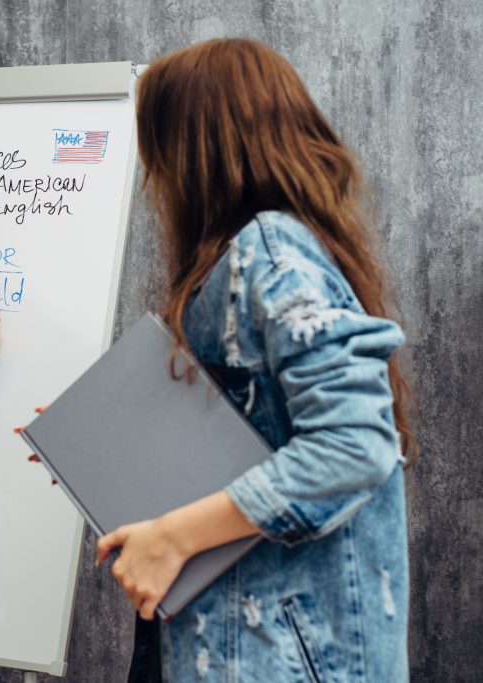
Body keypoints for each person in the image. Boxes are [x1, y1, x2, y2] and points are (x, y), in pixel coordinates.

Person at [93, 39, 416, 682]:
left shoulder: (267, 253)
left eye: (158, 154)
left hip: (281, 655)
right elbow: (253, 436)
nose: (154, 181)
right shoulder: (255, 257)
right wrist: (102, 449)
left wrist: (174, 537)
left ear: (196, 152)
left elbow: (353, 444)